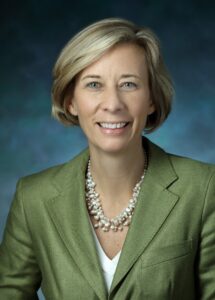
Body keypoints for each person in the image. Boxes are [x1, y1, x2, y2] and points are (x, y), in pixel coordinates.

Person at [0, 18, 214, 300]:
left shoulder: (204, 189)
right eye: (93, 84)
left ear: (151, 98)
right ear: (70, 102)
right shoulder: (33, 198)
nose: (113, 104)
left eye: (128, 84)